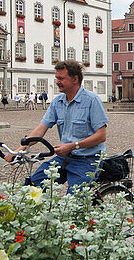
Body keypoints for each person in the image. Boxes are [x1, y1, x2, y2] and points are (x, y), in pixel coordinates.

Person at [12, 60, 108, 191]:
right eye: (56, 78)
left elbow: (101, 136)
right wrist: (19, 150)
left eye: (61, 78)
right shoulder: (58, 101)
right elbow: (40, 129)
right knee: (32, 187)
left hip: (88, 160)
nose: (57, 82)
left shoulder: (91, 100)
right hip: (65, 158)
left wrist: (72, 146)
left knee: (73, 202)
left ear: (75, 79)